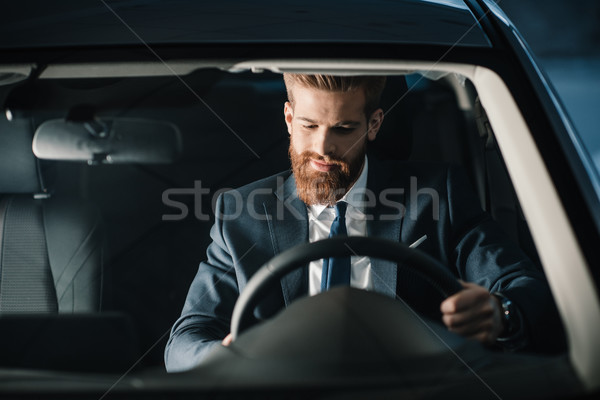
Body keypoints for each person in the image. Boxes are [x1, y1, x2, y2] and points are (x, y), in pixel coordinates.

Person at [164, 74, 562, 372]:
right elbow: (184, 343)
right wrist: (226, 356)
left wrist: (501, 315)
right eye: (308, 126)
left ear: (373, 124)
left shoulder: (436, 194)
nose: (322, 148)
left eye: (343, 129)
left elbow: (529, 291)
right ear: (288, 117)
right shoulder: (240, 212)